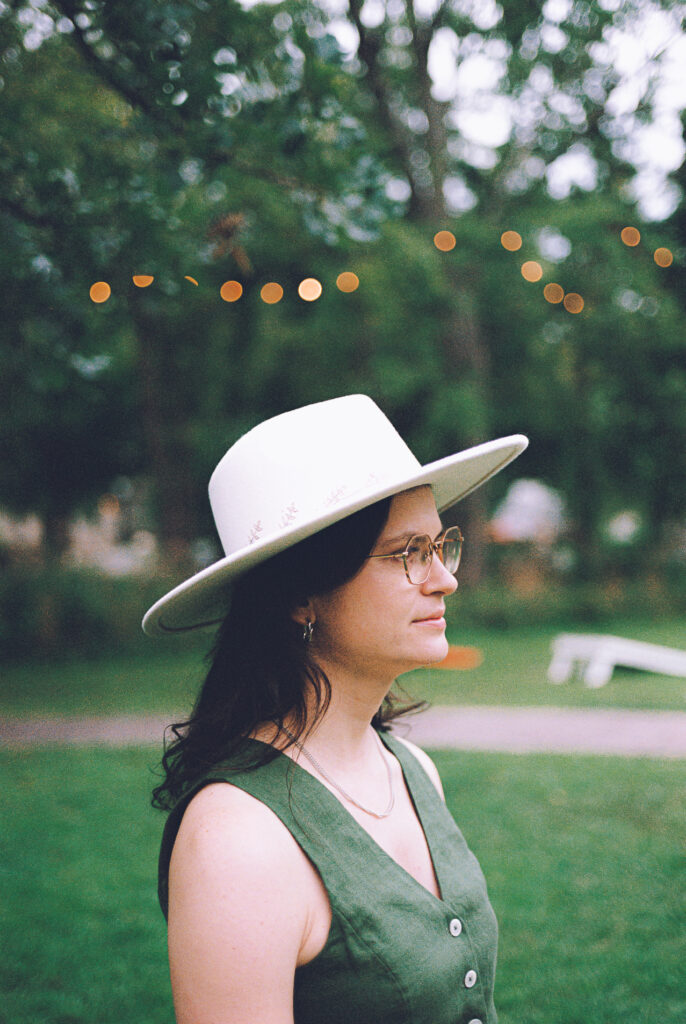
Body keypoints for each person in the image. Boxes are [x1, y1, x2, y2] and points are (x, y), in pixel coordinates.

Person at [144, 394, 527, 1024]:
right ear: (301, 595)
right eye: (408, 553)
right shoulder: (237, 837)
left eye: (440, 546)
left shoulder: (411, 770)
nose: (444, 579)